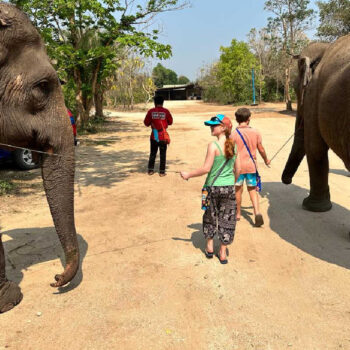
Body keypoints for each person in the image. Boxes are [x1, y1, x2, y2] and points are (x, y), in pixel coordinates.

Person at [180, 114, 241, 264]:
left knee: (209, 216)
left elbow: (206, 169)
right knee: (227, 218)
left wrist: (188, 174)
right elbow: (238, 169)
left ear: (223, 128)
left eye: (214, 125)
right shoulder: (234, 146)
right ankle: (222, 252)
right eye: (211, 125)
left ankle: (209, 247)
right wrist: (231, 182)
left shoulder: (213, 146)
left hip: (211, 188)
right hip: (228, 188)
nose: (211, 127)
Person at [231, 108, 270, 227]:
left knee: (238, 190)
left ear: (237, 119)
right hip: (251, 167)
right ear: (248, 119)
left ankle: (237, 214)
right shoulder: (256, 132)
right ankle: (257, 212)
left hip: (238, 167)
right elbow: (261, 149)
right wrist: (266, 159)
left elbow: (230, 152)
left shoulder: (233, 134)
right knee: (252, 190)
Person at [144, 95, 173, 176]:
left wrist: (152, 122)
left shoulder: (150, 111)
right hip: (163, 135)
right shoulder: (166, 111)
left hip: (154, 134)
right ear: (162, 103)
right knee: (163, 154)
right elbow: (170, 122)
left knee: (153, 153)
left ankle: (150, 170)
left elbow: (146, 123)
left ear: (154, 103)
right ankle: (162, 172)